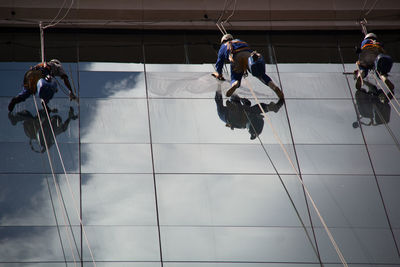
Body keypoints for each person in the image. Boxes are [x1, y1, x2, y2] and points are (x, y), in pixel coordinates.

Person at [212, 33, 284, 99]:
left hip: (235, 57)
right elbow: (249, 50)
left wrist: (219, 74)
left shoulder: (223, 47)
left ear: (223, 41)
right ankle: (273, 86)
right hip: (248, 56)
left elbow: (219, 63)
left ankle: (235, 83)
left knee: (235, 77)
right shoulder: (239, 41)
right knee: (260, 74)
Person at [215, 86, 284, 139]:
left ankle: (269, 108)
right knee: (251, 108)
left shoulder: (226, 113)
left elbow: (219, 101)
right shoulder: (247, 115)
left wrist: (219, 86)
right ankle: (270, 108)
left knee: (237, 100)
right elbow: (248, 107)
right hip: (238, 114)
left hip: (228, 115)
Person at [8, 59, 76, 112]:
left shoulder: (41, 65)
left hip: (30, 75)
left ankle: (15, 100)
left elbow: (37, 68)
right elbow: (65, 78)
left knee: (28, 92)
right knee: (50, 86)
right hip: (42, 74)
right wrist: (71, 91)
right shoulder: (57, 66)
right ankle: (45, 104)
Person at [8, 106, 78, 153]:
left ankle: (15, 119)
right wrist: (70, 117)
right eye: (55, 119)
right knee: (28, 115)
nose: (56, 122)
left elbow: (64, 127)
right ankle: (15, 119)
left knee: (30, 116)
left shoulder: (55, 129)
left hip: (33, 133)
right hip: (34, 130)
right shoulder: (48, 122)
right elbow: (42, 113)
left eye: (57, 121)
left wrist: (70, 117)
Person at [355, 33, 394, 98]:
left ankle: (361, 74)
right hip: (376, 55)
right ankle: (384, 77)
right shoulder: (377, 42)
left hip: (364, 54)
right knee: (379, 72)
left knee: (363, 68)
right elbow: (383, 51)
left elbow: (360, 50)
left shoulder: (364, 42)